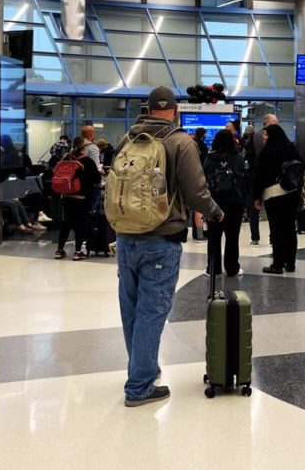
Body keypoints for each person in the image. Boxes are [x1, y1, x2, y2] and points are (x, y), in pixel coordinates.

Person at [113, 86, 222, 407]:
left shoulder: (127, 139)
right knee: (153, 311)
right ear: (174, 110)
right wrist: (215, 212)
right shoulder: (179, 142)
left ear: (147, 109)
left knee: (131, 310)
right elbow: (196, 191)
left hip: (125, 235)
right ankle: (140, 385)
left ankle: (143, 368)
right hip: (161, 238)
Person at [254, 123, 302, 275]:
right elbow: (301, 166)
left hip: (274, 194)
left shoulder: (266, 152)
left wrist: (256, 196)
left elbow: (259, 176)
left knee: (276, 229)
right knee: (290, 228)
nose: (264, 136)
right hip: (292, 193)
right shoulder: (291, 149)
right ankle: (291, 263)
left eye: (266, 134)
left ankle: (277, 264)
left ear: (272, 136)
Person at [203, 130, 248, 277]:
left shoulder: (209, 158)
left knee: (214, 237)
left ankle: (213, 268)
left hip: (214, 203)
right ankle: (232, 268)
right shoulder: (238, 158)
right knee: (232, 237)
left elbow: (203, 180)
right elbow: (244, 179)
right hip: (235, 202)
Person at [55, 137, 99, 260]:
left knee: (66, 223)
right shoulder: (87, 161)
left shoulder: (65, 158)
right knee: (81, 224)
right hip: (81, 197)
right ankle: (78, 252)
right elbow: (96, 179)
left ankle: (59, 250)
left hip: (66, 196)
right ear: (84, 148)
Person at [244, 114, 278, 247]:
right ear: (267, 123)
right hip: (270, 179)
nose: (277, 124)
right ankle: (272, 238)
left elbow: (248, 156)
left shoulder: (252, 137)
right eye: (275, 122)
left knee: (254, 209)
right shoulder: (276, 137)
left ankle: (255, 238)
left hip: (255, 178)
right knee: (273, 210)